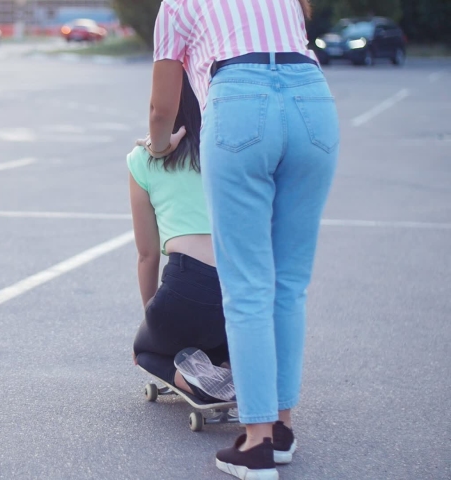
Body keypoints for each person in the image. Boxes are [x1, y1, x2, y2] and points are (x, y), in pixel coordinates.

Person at [142, 1, 340, 479]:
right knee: (288, 285)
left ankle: (255, 445)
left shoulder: (179, 4)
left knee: (247, 287)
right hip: (313, 100)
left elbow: (161, 107)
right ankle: (282, 430)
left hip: (239, 104)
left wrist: (160, 144)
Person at [129, 73, 235, 405]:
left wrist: (152, 314)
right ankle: (231, 368)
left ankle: (190, 380)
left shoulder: (142, 160)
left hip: (186, 285)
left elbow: (147, 255)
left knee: (145, 349)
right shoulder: (230, 149)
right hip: (240, 284)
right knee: (220, 336)